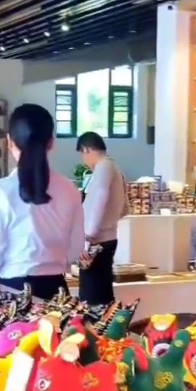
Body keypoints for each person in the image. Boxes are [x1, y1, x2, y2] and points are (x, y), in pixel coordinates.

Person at [0, 104, 85, 299]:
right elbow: (76, 246)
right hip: (57, 290)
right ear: (51, 142)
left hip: (12, 290)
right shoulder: (70, 189)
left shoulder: (0, 191)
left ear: (9, 142)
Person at [76, 131, 128, 306]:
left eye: (83, 155)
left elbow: (99, 201)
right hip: (109, 237)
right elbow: (125, 208)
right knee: (103, 293)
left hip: (96, 240)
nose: (84, 161)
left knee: (92, 296)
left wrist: (87, 237)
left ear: (86, 149)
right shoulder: (115, 167)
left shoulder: (103, 167)